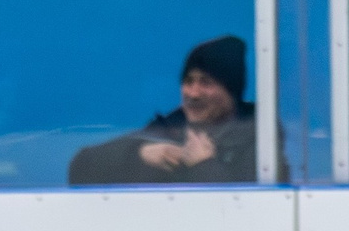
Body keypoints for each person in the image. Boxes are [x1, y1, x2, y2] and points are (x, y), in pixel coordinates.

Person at [67, 36, 273, 186]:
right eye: (188, 81)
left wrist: (203, 165)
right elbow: (80, 170)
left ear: (231, 91)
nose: (193, 93)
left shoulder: (261, 140)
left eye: (206, 82)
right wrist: (141, 154)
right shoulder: (168, 128)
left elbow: (248, 212)